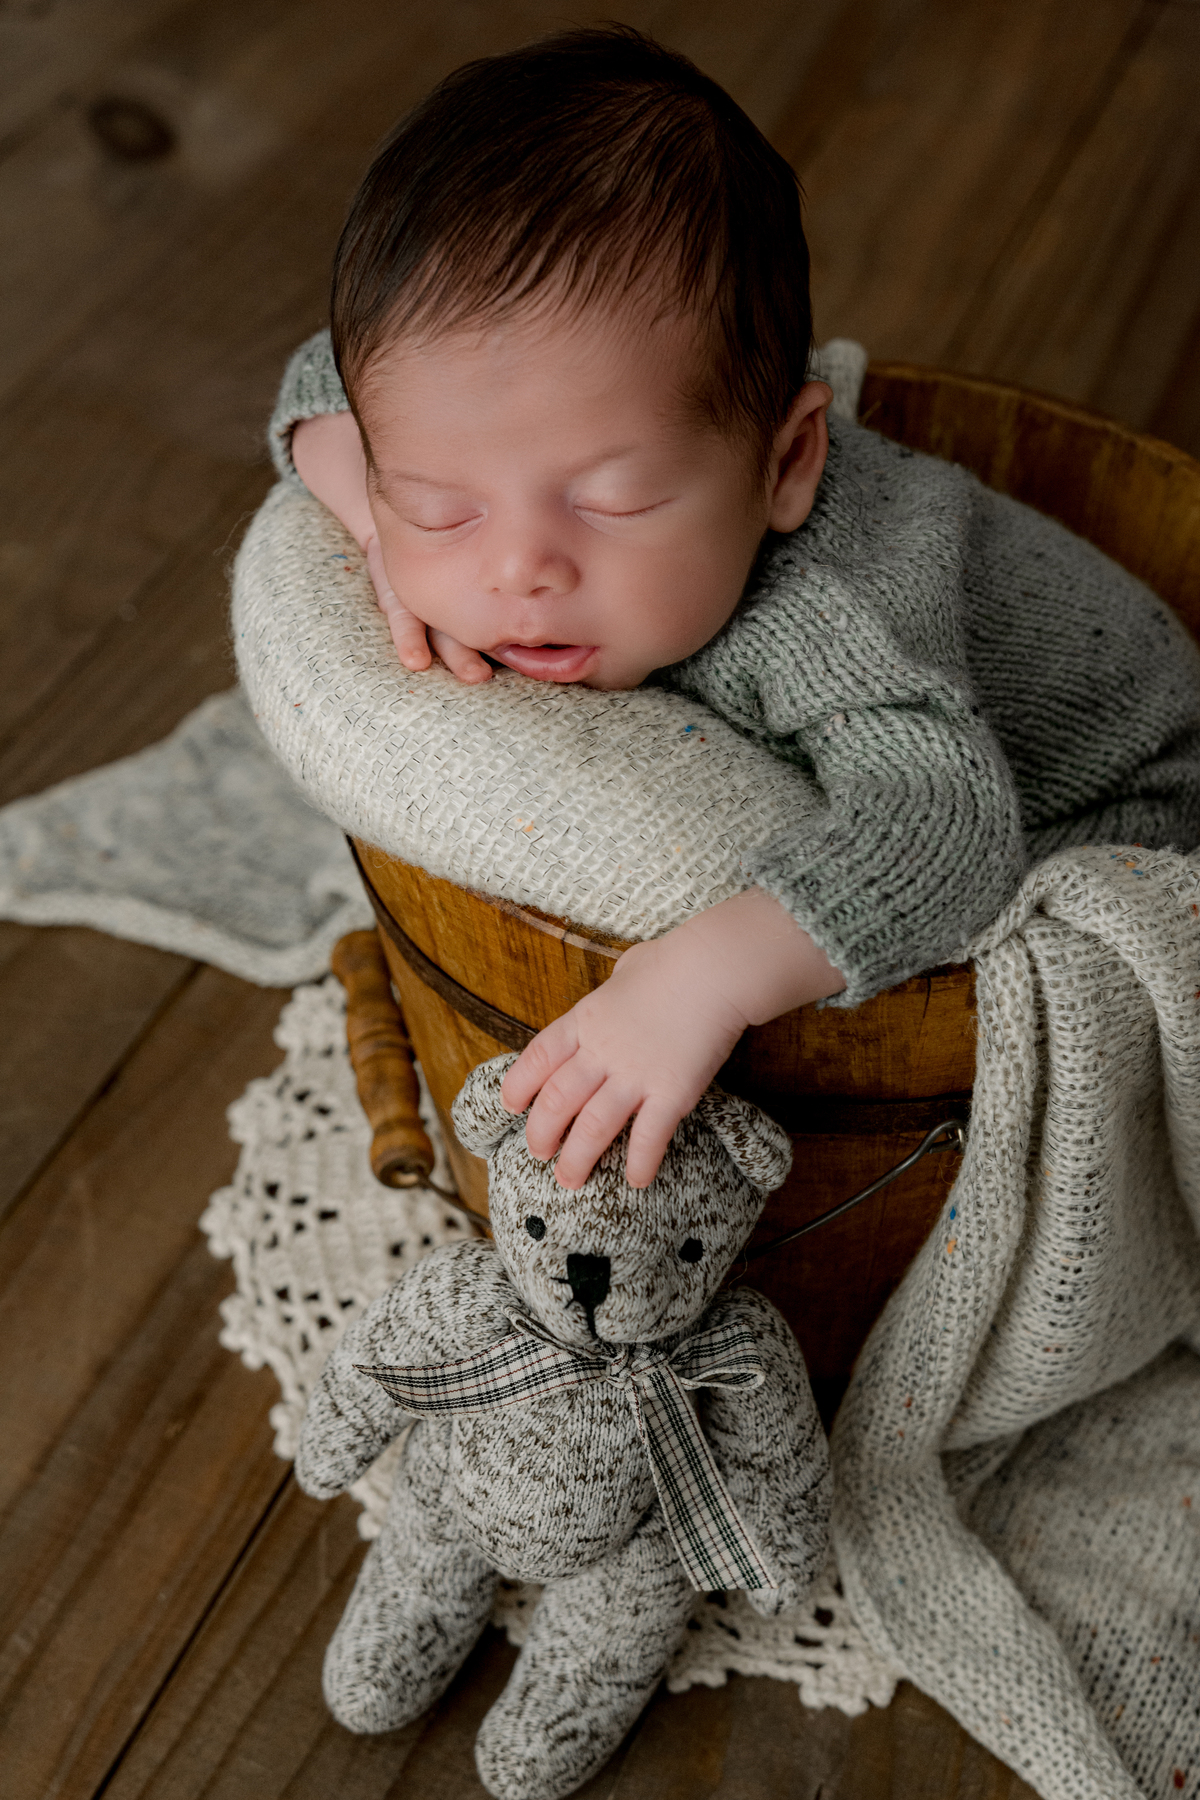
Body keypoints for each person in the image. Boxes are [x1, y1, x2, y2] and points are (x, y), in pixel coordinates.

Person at [270, 25, 1200, 1194]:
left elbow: (949, 830)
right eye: (445, 503)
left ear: (788, 461)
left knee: (980, 923)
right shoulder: (504, 460)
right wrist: (377, 512)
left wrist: (698, 978)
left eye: (615, 501)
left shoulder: (830, 606)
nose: (518, 572)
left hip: (1124, 804)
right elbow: (323, 378)